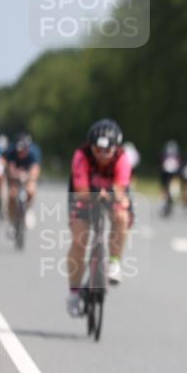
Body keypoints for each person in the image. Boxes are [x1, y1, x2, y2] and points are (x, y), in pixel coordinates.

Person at [65, 119, 132, 317]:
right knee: (79, 240)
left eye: (107, 151)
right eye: (97, 150)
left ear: (115, 148)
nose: (102, 155)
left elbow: (120, 189)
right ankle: (74, 293)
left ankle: (114, 262)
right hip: (84, 195)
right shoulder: (81, 155)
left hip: (112, 194)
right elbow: (81, 190)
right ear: (91, 146)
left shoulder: (123, 158)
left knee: (121, 217)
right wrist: (96, 196)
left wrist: (112, 196)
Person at [2, 133, 42, 229]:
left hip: (27, 173)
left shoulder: (34, 152)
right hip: (14, 173)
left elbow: (35, 169)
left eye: (23, 151)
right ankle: (12, 221)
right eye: (19, 151)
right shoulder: (11, 151)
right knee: (12, 195)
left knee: (31, 191)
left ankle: (28, 209)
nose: (21, 153)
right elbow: (7, 166)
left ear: (28, 148)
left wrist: (30, 176)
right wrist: (13, 173)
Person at [159, 140, 181, 216]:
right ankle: (166, 202)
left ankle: (165, 202)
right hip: (168, 175)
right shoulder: (175, 156)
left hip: (168, 175)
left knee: (167, 189)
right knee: (167, 189)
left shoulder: (166, 155)